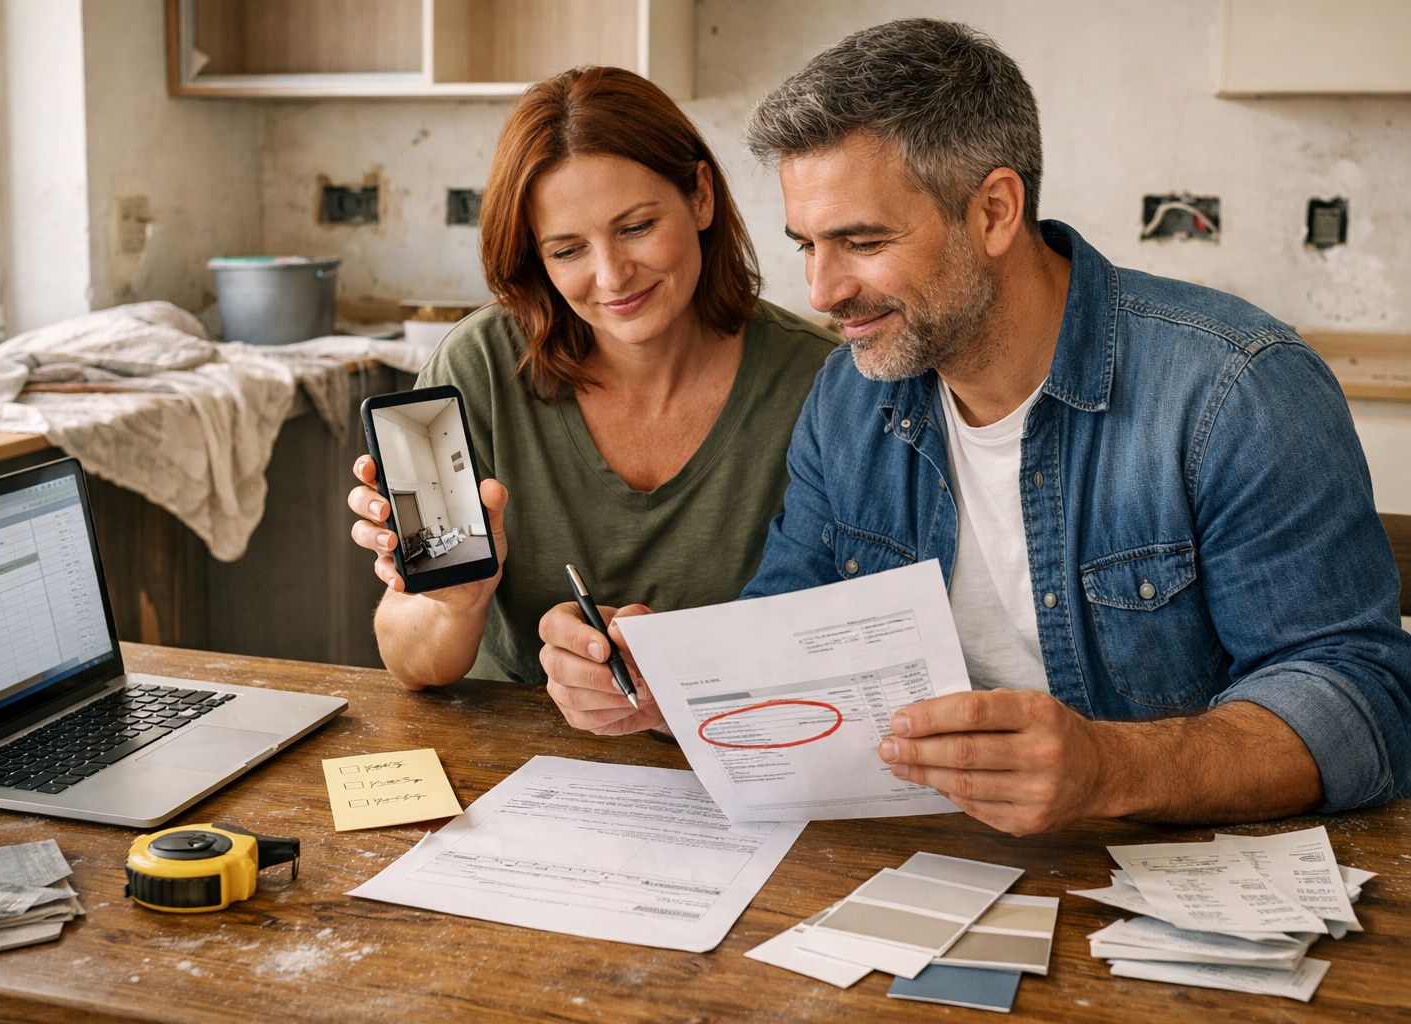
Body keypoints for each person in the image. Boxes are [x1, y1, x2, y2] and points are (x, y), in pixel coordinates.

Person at [540, 19, 1411, 833]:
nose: (821, 292)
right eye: (806, 244)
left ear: (994, 210)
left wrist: (1111, 767)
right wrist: (672, 686)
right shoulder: (850, 398)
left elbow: (1364, 698)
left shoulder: (1235, 391)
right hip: (920, 865)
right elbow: (787, 635)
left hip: (1169, 882)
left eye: (862, 241)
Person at [347, 67, 836, 688]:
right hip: (514, 762)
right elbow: (414, 664)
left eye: (635, 228)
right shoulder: (477, 366)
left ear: (701, 196)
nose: (611, 276)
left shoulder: (823, 384)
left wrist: (685, 684)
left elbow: (845, 644)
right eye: (567, 250)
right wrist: (456, 602)